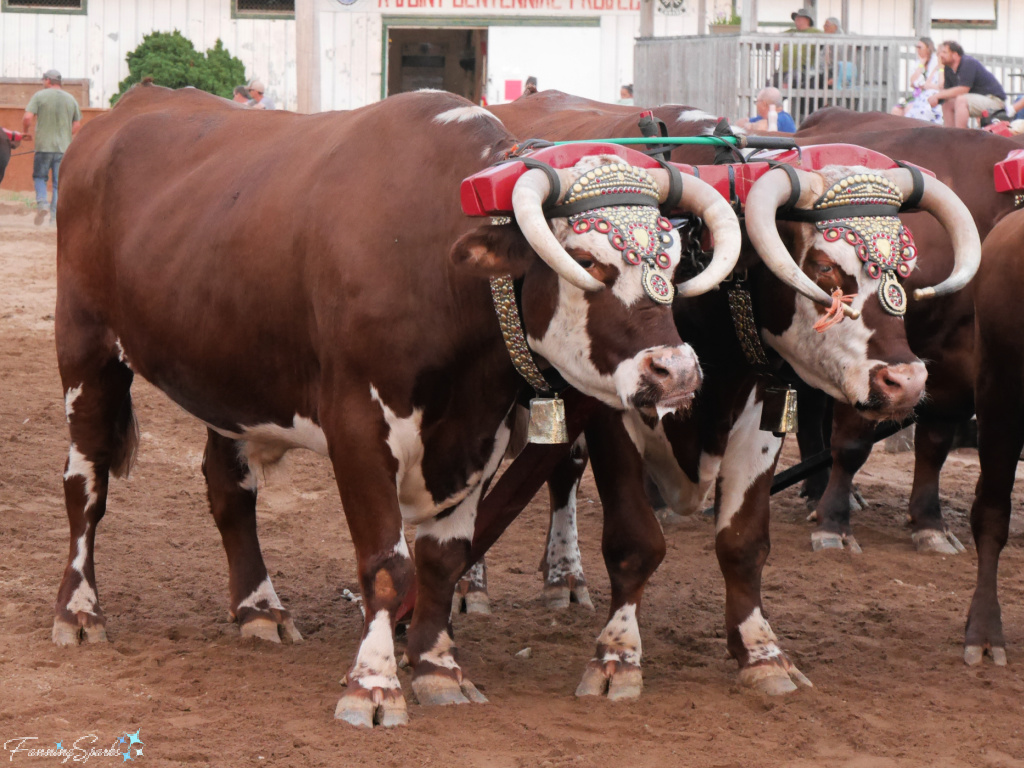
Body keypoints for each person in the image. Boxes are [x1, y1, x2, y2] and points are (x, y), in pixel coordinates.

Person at [22, 69, 81, 226]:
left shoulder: (39, 96)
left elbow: (27, 117)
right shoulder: (71, 99)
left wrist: (25, 132)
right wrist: (66, 136)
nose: (42, 82)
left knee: (40, 177)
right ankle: (54, 219)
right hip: (63, 149)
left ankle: (42, 204)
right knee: (58, 183)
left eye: (43, 79)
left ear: (48, 80)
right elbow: (76, 124)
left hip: (43, 146)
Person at [928, 41, 1007, 128]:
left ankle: (961, 136)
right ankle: (950, 136)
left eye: (944, 52)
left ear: (955, 54)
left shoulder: (968, 62)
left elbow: (963, 89)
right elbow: (947, 92)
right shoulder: (948, 68)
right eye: (940, 52)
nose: (940, 55)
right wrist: (937, 99)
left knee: (961, 100)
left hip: (994, 101)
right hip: (977, 101)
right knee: (947, 103)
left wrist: (938, 95)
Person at [891, 38, 943, 124]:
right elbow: (912, 82)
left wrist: (926, 85)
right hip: (918, 94)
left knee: (909, 109)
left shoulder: (936, 62)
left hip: (931, 95)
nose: (917, 49)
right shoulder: (918, 62)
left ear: (928, 48)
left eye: (920, 47)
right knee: (896, 110)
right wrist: (921, 64)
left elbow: (939, 85)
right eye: (916, 47)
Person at [773, 8, 823, 89]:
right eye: (796, 19)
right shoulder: (791, 31)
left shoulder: (816, 32)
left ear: (807, 20)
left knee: (786, 86)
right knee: (770, 86)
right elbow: (776, 40)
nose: (796, 21)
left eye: (799, 19)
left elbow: (830, 40)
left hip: (800, 69)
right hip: (783, 69)